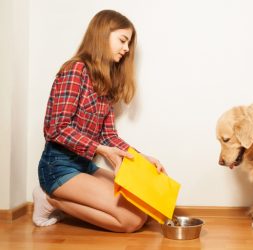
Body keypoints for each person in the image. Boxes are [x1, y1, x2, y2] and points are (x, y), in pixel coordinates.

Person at [32, 9, 166, 233]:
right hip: (57, 168)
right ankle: (49, 199)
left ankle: (59, 198)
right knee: (131, 221)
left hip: (84, 166)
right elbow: (56, 129)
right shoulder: (74, 70)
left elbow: (108, 136)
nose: (126, 49)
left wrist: (141, 158)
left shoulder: (105, 81)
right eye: (122, 40)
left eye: (129, 44)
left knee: (145, 209)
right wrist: (100, 150)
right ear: (102, 34)